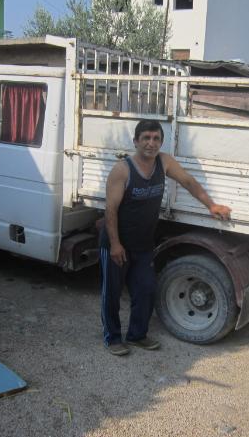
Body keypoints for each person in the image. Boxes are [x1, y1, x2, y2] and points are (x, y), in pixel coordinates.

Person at [99, 120, 231, 356]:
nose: (151, 143)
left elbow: (188, 181)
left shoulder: (164, 162)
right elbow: (110, 210)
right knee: (112, 293)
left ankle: (137, 335)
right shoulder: (122, 170)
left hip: (143, 244)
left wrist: (211, 205)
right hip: (117, 244)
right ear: (136, 141)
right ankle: (113, 337)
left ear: (161, 142)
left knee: (146, 289)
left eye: (156, 138)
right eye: (146, 138)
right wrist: (115, 244)